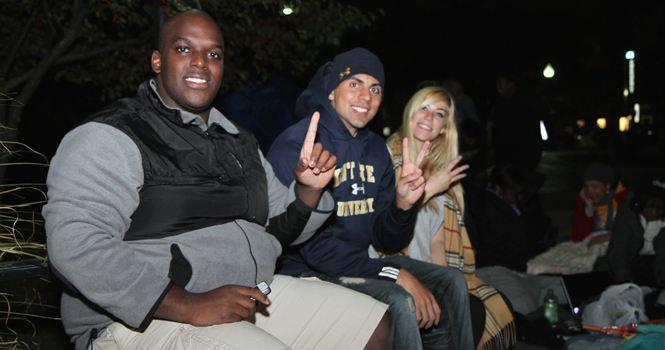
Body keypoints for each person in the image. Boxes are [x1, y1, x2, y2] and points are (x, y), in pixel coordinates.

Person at [43, 11, 393, 350]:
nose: (200, 61)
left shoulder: (239, 141)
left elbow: (282, 230)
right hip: (139, 319)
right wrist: (187, 304)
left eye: (214, 54)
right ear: (157, 61)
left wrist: (308, 191)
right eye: (183, 49)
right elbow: (75, 243)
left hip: (249, 294)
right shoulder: (113, 135)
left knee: (372, 324)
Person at [267, 48, 474, 350]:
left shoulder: (376, 150)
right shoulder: (299, 147)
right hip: (304, 273)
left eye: (375, 88)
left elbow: (386, 238)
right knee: (399, 300)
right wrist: (392, 273)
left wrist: (403, 206)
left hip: (354, 262)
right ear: (331, 92)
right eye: (355, 84)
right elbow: (314, 249)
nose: (366, 96)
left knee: (451, 283)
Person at [377, 86, 516, 350]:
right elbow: (382, 228)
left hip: (427, 272)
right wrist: (429, 190)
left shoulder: (440, 170)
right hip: (393, 270)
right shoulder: (383, 158)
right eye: (424, 108)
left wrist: (451, 288)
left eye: (439, 113)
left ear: (444, 127)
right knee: (473, 315)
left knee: (494, 306)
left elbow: (437, 242)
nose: (429, 117)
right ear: (410, 113)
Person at [607, 174, 665, 288]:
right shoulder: (627, 215)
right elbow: (618, 251)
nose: (654, 213)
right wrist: (625, 282)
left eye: (660, 209)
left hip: (652, 266)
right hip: (629, 263)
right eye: (649, 207)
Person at [571, 162, 630, 243]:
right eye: (587, 187)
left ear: (607, 186)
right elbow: (578, 240)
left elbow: (630, 234)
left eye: (595, 187)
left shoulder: (623, 200)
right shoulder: (584, 201)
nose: (590, 191)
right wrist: (589, 209)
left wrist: (610, 236)